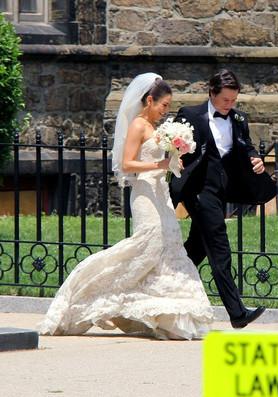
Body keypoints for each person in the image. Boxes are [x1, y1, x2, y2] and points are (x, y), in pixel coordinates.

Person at [39, 73, 214, 340]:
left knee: (169, 243)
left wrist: (176, 153)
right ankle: (93, 291)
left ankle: (165, 314)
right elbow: (127, 164)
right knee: (147, 245)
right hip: (144, 193)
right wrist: (161, 165)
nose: (166, 111)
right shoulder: (137, 125)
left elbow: (161, 161)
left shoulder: (157, 128)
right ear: (149, 100)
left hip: (160, 192)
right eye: (163, 105)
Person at [169, 69, 276, 329]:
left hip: (222, 191)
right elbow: (173, 146)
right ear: (212, 94)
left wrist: (256, 160)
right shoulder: (190, 115)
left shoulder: (239, 119)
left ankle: (165, 286)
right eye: (225, 100)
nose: (230, 105)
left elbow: (246, 146)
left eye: (234, 100)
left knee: (196, 248)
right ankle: (237, 312)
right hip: (198, 191)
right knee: (220, 248)